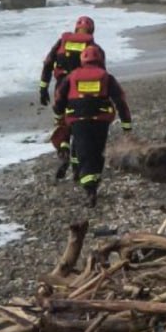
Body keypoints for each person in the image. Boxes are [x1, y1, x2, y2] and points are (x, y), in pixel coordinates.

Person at [57, 45, 132, 208]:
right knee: (97, 152)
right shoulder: (106, 77)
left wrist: (58, 115)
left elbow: (59, 98)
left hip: (78, 121)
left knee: (83, 150)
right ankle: (91, 181)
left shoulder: (72, 76)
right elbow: (120, 101)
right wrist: (126, 125)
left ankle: (89, 188)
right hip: (100, 120)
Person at [39, 16, 99, 179]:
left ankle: (63, 151)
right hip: (79, 89)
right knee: (77, 125)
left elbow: (48, 63)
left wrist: (43, 87)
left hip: (60, 87)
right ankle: (76, 166)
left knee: (62, 122)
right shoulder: (91, 46)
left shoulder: (62, 42)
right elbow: (99, 73)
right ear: (92, 30)